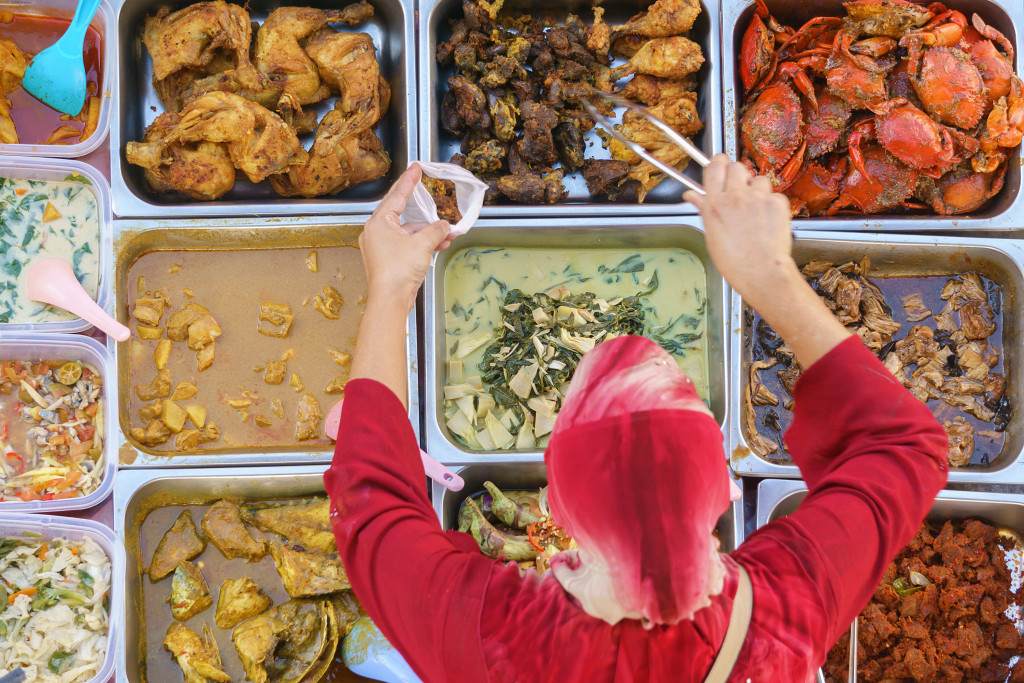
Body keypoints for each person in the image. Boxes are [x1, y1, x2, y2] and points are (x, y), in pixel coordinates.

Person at [325, 157, 949, 682]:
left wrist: (390, 287)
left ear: (558, 512)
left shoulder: (486, 632)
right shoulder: (782, 613)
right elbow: (907, 446)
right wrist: (770, 274)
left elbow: (370, 502)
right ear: (717, 495)